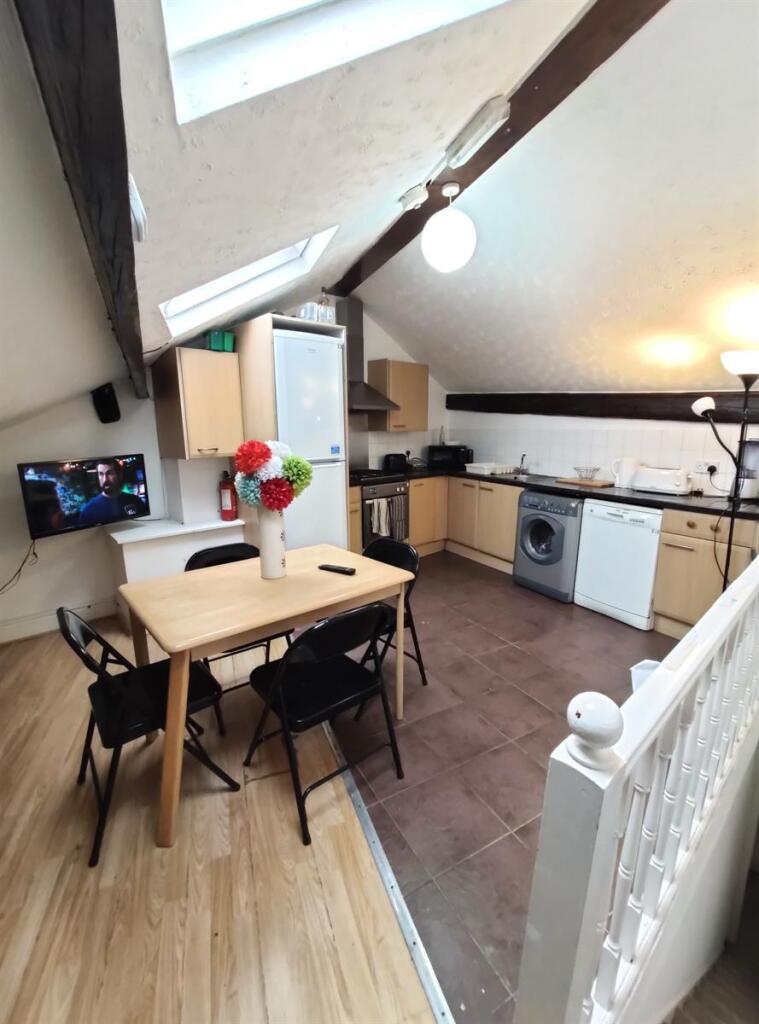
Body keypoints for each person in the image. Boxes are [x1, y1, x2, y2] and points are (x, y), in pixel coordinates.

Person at [78, 460, 147, 525]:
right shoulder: (88, 511)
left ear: (119, 475)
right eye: (101, 474)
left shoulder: (135, 501)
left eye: (109, 473)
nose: (105, 479)